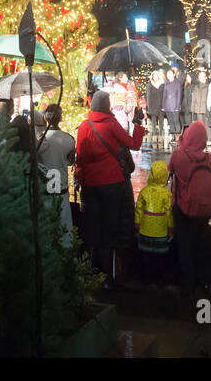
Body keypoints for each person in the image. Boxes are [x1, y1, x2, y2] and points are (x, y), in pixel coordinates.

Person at [75, 90, 145, 285]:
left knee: (92, 229)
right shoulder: (110, 124)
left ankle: (89, 273)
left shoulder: (83, 126)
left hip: (90, 184)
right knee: (109, 229)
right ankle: (107, 277)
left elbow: (79, 157)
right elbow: (133, 144)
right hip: (110, 184)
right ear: (106, 105)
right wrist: (137, 128)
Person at [168, 120, 211, 301]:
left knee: (186, 246)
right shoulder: (208, 158)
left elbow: (171, 170)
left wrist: (181, 144)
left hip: (182, 207)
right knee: (202, 245)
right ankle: (206, 284)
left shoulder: (178, 155)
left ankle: (187, 287)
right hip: (202, 209)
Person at [34, 103, 76, 246]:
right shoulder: (69, 140)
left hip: (44, 192)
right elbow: (71, 162)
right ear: (61, 118)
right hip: (62, 193)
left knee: (45, 236)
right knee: (64, 236)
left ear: (45, 118)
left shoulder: (39, 141)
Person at [134, 160, 173, 284]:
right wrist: (171, 228)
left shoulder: (145, 191)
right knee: (160, 259)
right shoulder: (167, 194)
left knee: (146, 257)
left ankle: (146, 280)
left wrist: (137, 224)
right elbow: (169, 213)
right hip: (161, 232)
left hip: (145, 231)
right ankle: (160, 281)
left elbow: (138, 210)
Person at [161, 66, 183, 139]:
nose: (169, 75)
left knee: (176, 120)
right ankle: (173, 136)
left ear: (174, 74)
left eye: (170, 74)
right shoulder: (166, 83)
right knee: (170, 121)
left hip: (175, 104)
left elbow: (179, 95)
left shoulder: (178, 83)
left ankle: (178, 137)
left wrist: (177, 106)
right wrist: (163, 106)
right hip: (167, 105)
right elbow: (164, 95)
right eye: (168, 74)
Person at [186, 67, 208, 133]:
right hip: (198, 109)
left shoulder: (208, 86)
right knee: (200, 125)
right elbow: (194, 98)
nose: (201, 77)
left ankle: (208, 139)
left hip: (205, 108)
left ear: (205, 77)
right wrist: (193, 109)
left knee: (207, 125)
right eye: (200, 76)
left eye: (202, 76)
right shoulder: (196, 87)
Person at [146, 68, 165, 135]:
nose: (155, 77)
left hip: (161, 106)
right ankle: (154, 135)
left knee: (161, 122)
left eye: (156, 76)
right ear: (152, 77)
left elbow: (164, 96)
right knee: (153, 122)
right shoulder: (149, 85)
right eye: (154, 76)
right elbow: (148, 97)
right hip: (153, 106)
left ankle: (161, 135)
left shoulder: (162, 85)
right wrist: (148, 107)